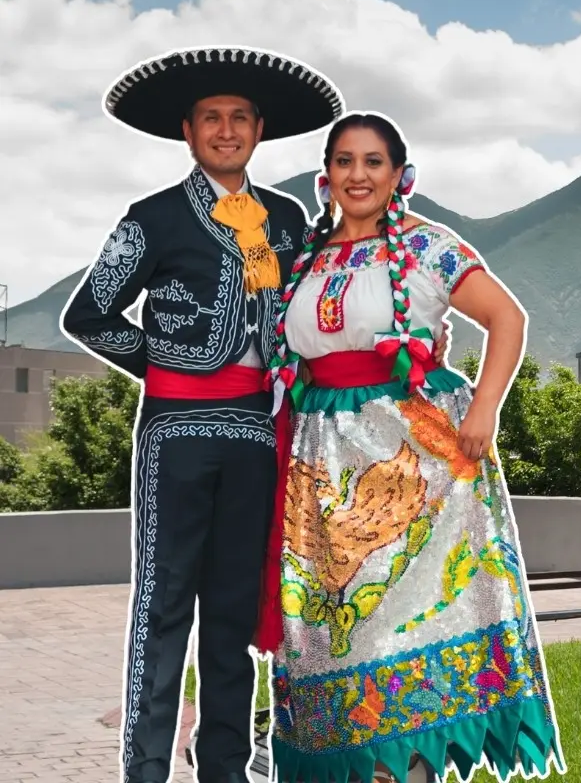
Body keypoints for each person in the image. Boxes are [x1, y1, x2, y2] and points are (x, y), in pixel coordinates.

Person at [58, 46, 438, 783]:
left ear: (259, 129)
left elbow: (333, 295)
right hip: (174, 434)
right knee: (164, 609)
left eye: (238, 118)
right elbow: (88, 313)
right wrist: (165, 364)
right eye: (210, 118)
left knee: (234, 615)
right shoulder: (152, 219)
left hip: (258, 435)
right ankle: (143, 768)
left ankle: (225, 768)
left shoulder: (290, 219)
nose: (225, 130)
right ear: (188, 130)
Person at [256, 111, 566, 783]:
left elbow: (506, 317)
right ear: (326, 175)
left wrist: (484, 405)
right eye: (344, 161)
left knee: (408, 636)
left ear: (399, 175)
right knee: (327, 649)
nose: (357, 174)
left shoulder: (430, 248)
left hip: (416, 468)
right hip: (319, 470)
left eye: (373, 162)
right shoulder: (304, 257)